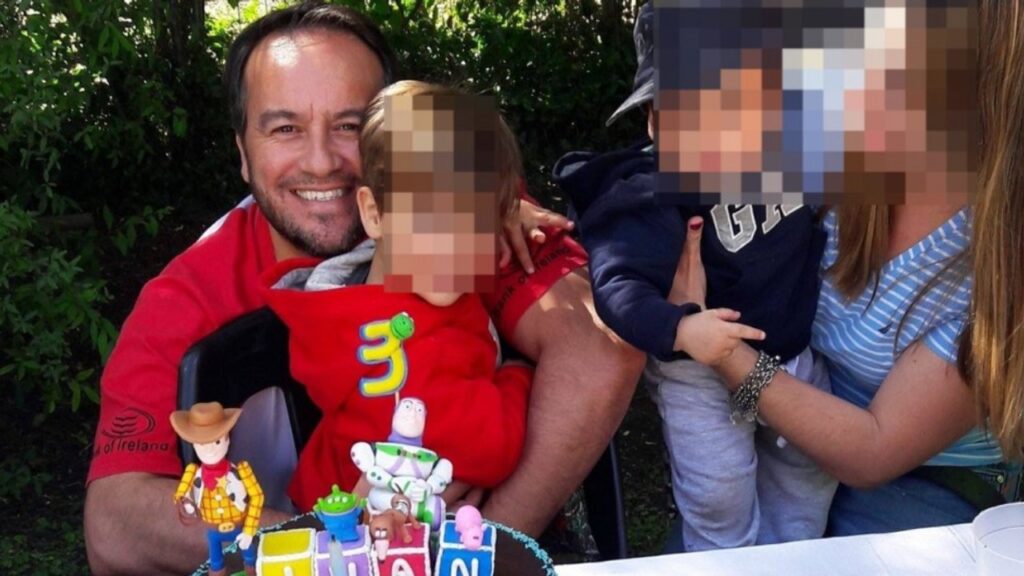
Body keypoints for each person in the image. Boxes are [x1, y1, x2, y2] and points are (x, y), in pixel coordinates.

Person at [83, 4, 644, 574]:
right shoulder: (188, 296)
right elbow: (114, 524)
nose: (322, 161)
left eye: (349, 126)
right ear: (243, 154)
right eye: (285, 129)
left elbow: (602, 349)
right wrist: (347, 545)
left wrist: (474, 547)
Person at [670, 0, 1021, 536]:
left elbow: (873, 451)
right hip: (781, 431)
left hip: (921, 481)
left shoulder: (1003, 256)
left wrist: (723, 352)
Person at [555, 2, 835, 552]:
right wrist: (680, 329)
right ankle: (724, 562)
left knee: (809, 473)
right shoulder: (648, 191)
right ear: (654, 121)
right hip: (700, 372)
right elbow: (617, 284)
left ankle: (788, 559)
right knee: (718, 496)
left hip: (792, 354)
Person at [260, 80, 532, 515]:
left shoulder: (360, 300)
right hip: (361, 537)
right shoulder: (400, 343)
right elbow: (489, 449)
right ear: (374, 214)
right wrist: (518, 376)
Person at [170, 402, 263, 576]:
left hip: (240, 527)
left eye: (217, 441)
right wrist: (187, 505)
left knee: (252, 563)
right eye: (202, 444)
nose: (210, 450)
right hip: (212, 530)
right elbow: (180, 497)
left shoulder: (241, 470)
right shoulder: (192, 472)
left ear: (227, 439)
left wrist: (250, 530)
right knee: (216, 566)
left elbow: (257, 497)